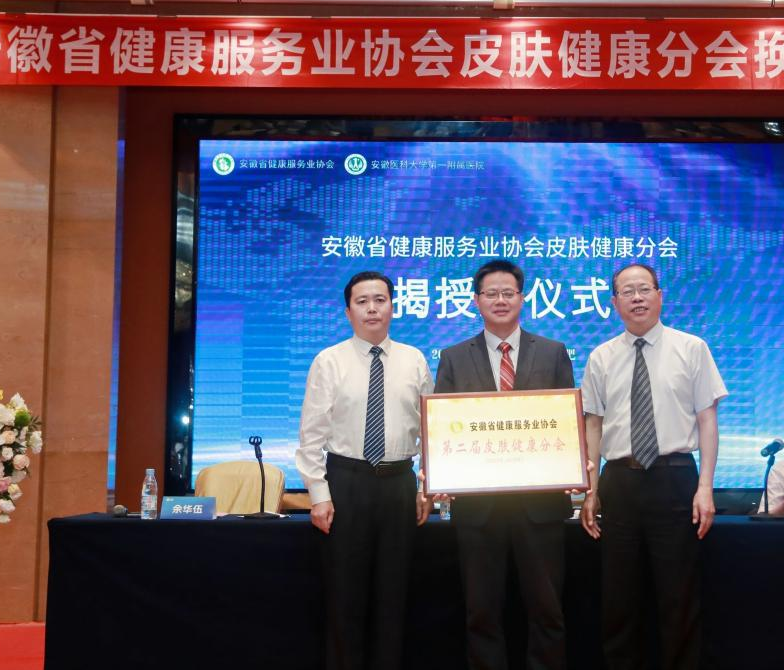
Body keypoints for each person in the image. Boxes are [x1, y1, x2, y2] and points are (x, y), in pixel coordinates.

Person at [580, 263, 727, 670]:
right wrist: (591, 490)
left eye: (644, 289)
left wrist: (706, 487)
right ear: (614, 303)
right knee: (618, 597)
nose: (637, 298)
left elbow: (707, 419)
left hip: (674, 477)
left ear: (660, 296)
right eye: (627, 292)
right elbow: (593, 425)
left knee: (678, 594)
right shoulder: (601, 356)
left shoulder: (691, 348)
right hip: (619, 481)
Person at [435, 259, 575, 670]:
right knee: (481, 613)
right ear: (476, 301)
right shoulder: (454, 357)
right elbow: (443, 427)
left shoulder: (552, 352)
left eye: (508, 293)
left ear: (522, 298)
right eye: (491, 293)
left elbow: (565, 422)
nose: (500, 300)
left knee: (547, 611)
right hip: (478, 507)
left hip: (540, 504)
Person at [295, 271, 433, 670]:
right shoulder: (329, 361)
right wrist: (319, 495)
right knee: (345, 598)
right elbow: (311, 436)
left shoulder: (414, 359)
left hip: (399, 484)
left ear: (393, 306)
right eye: (362, 301)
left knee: (394, 597)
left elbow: (431, 429)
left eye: (380, 300)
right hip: (346, 484)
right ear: (348, 311)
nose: (372, 308)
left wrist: (426, 486)